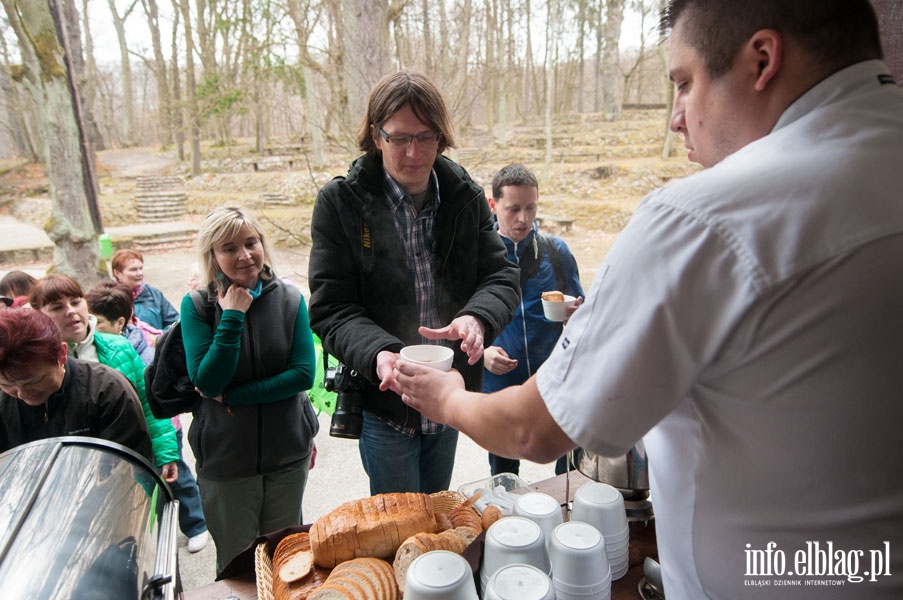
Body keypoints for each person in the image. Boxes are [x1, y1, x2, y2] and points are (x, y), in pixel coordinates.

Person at [395, 1, 903, 598]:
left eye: (685, 84)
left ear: (762, 60)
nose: (677, 119)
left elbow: (534, 431)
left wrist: (450, 399)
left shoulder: (702, 219)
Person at [307, 70, 520, 496]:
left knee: (438, 509)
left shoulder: (465, 197)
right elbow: (332, 308)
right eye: (399, 138)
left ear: (441, 137)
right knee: (400, 524)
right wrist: (380, 353)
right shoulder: (342, 203)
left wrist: (477, 318)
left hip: (449, 397)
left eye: (425, 137)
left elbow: (501, 275)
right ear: (375, 135)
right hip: (388, 402)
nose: (413, 153)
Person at [181, 206, 318, 573]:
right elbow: (207, 380)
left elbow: (303, 375)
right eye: (229, 248)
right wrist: (232, 316)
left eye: (250, 243)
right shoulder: (196, 306)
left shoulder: (289, 299)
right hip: (227, 465)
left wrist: (235, 397)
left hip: (288, 458)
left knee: (287, 564)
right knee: (239, 569)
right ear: (213, 256)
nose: (244, 255)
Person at [86, 281, 210, 553]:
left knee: (177, 478)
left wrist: (164, 443)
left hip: (162, 427)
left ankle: (196, 524)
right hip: (128, 440)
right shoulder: (89, 352)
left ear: (119, 323)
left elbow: (151, 397)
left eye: (99, 322)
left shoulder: (140, 345)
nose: (92, 326)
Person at [482, 164, 584, 477]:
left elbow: (584, 317)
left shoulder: (557, 253)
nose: (524, 219)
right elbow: (459, 320)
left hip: (552, 380)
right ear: (493, 205)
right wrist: (483, 353)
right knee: (504, 474)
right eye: (513, 209)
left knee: (568, 467)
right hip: (500, 385)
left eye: (531, 208)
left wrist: (576, 317)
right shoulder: (477, 257)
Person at [28, 275, 179, 484]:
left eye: (75, 302)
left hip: (127, 464)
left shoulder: (119, 346)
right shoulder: (39, 361)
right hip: (68, 477)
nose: (71, 311)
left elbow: (148, 403)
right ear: (39, 315)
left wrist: (165, 451)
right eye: (56, 307)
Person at [0, 308, 153, 462]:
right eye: (7, 384)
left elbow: (127, 467)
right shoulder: (3, 404)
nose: (23, 394)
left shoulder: (107, 391)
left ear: (61, 354)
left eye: (33, 381)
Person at [111, 249, 179, 331]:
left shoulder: (154, 295)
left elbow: (175, 322)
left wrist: (160, 338)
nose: (139, 273)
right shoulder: (109, 298)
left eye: (141, 268)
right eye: (133, 269)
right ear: (117, 273)